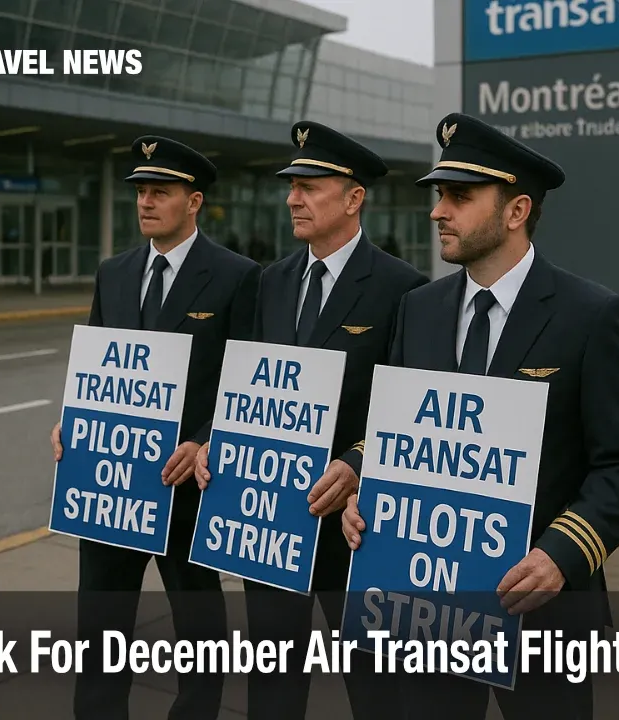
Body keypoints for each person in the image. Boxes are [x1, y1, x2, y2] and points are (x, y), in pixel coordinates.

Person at [341, 113, 619, 719]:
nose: (437, 211)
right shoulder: (418, 309)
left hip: (541, 615)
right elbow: (395, 433)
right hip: (428, 615)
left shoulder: (591, 316)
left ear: (516, 211)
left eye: (459, 197)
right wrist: (367, 491)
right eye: (440, 195)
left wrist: (561, 555)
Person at [192, 120, 428, 720]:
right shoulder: (269, 282)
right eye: (291, 186)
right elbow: (249, 387)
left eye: (309, 186)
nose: (293, 198)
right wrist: (218, 439)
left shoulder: (403, 289)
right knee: (272, 688)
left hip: (355, 529)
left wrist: (357, 462)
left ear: (354, 198)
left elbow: (409, 411)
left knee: (375, 691)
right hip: (270, 522)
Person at [50, 136, 261, 720]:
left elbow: (246, 383)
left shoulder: (238, 276)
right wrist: (72, 420)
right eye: (141, 191)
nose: (145, 201)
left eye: (159, 192)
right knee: (99, 622)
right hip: (110, 482)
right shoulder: (113, 273)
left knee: (198, 625)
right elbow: (98, 370)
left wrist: (207, 438)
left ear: (194, 201)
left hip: (185, 483)